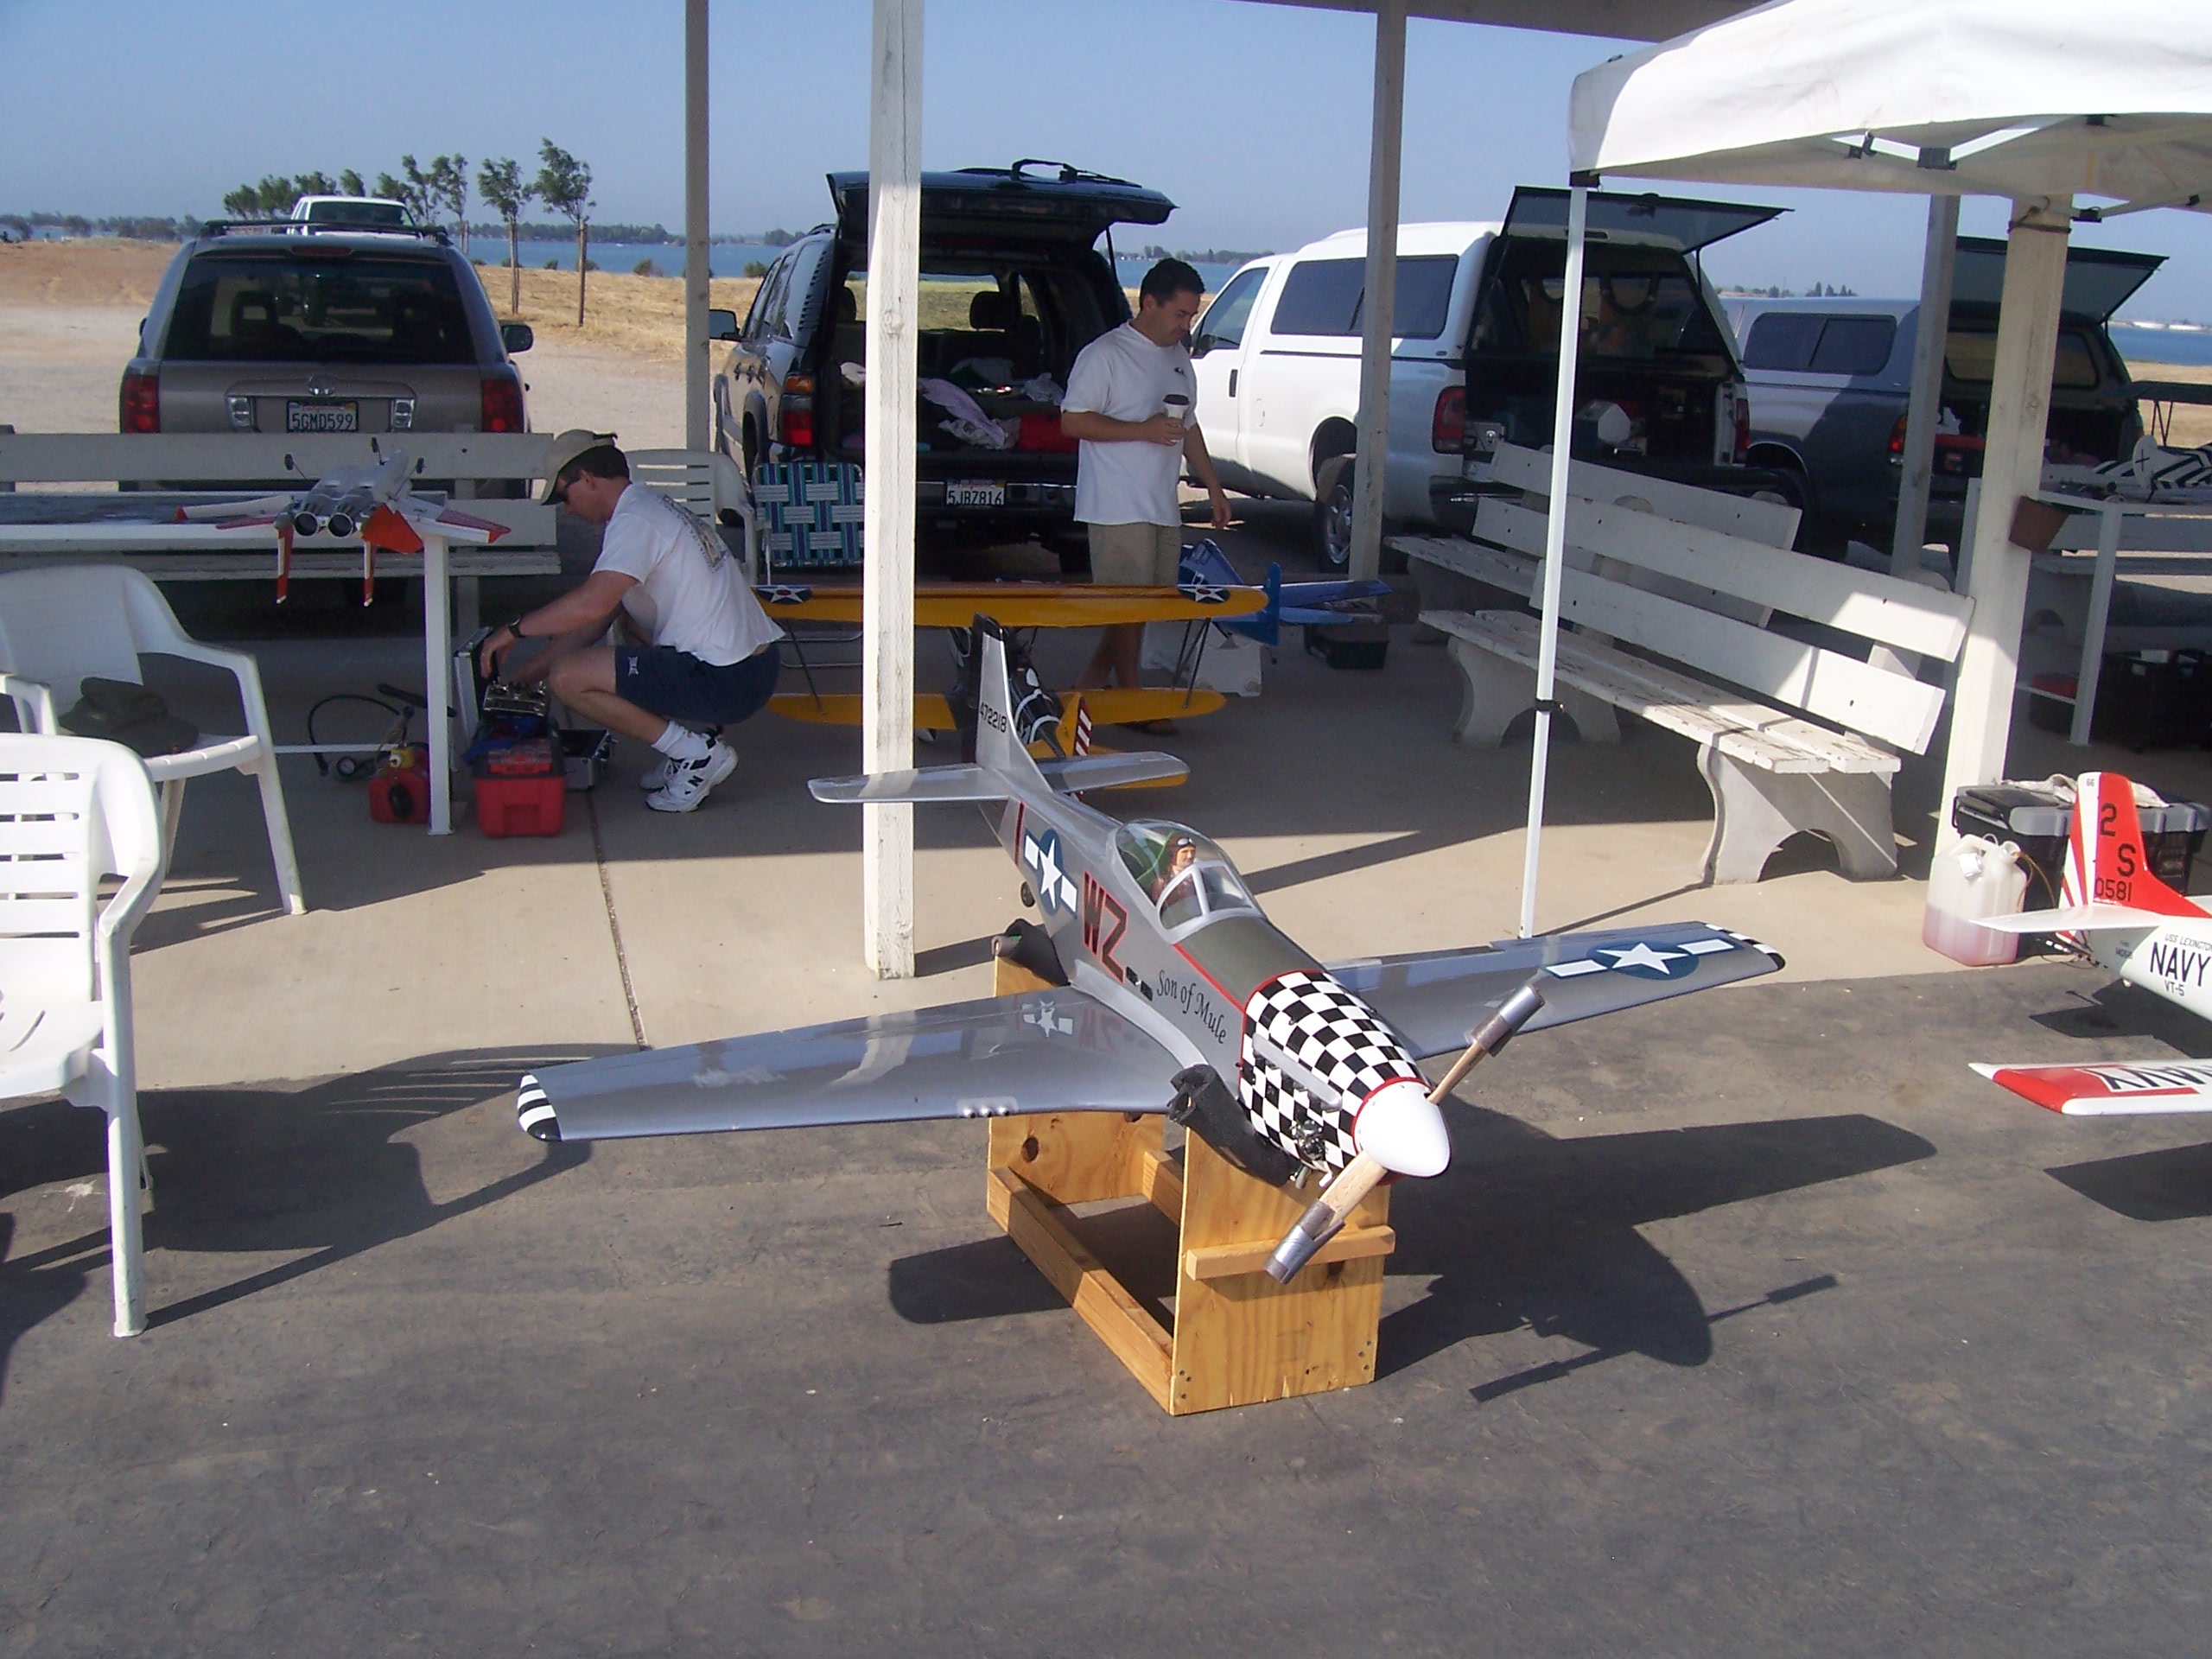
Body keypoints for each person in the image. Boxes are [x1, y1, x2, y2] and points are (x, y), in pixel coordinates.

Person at [479, 429, 783, 813]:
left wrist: (513, 631)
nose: (566, 510)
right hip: (752, 668)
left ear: (587, 479)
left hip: (726, 678)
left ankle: (697, 754)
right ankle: (687, 748)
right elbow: (598, 617)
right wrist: (529, 673)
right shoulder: (647, 505)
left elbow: (590, 604)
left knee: (568, 678)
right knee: (629, 626)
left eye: (563, 496)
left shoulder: (636, 521)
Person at [1058, 258, 1233, 722]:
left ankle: (1091, 680)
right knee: (1127, 605)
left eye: (1192, 315)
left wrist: (1214, 487)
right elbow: (1072, 421)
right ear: (1149, 303)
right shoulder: (1105, 354)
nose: (1186, 325)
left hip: (1161, 503)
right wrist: (1142, 429)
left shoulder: (1178, 358)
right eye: (1180, 314)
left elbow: (1188, 426)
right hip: (1116, 504)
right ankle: (1134, 701)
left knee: (1145, 605)